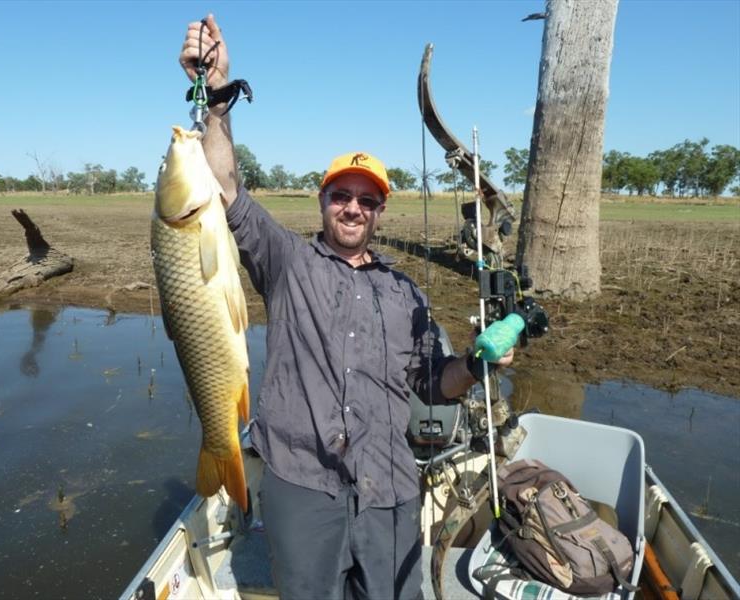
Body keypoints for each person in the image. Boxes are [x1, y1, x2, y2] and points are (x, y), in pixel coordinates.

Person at [179, 14, 514, 600]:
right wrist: (215, 96)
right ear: (323, 202)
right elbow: (225, 183)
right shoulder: (285, 262)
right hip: (303, 485)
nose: (353, 208)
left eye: (367, 199)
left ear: (380, 212)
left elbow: (435, 384)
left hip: (390, 486)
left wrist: (477, 362)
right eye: (342, 195)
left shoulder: (407, 292)